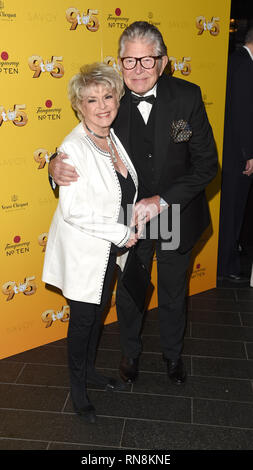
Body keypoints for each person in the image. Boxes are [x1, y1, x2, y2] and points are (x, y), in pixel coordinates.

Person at [48, 22, 217, 386]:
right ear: (119, 62)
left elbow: (207, 164)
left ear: (163, 61)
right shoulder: (110, 97)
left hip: (176, 212)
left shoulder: (187, 97)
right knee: (130, 291)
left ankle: (172, 356)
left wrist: (164, 200)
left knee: (173, 290)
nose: (138, 69)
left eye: (147, 60)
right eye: (129, 61)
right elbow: (82, 139)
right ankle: (131, 353)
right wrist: (53, 164)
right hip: (126, 220)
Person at [42, 62, 139, 423]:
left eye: (108, 96)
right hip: (86, 253)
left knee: (97, 316)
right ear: (78, 106)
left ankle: (91, 373)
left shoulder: (110, 136)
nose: (102, 105)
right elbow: (73, 210)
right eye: (91, 100)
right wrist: (122, 233)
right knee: (83, 321)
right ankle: (78, 391)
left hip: (107, 253)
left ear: (117, 97)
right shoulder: (73, 147)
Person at [218, 28, 253, 281]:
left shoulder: (234, 61)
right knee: (233, 210)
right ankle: (226, 266)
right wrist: (249, 153)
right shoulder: (244, 66)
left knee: (231, 209)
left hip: (230, 150)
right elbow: (243, 114)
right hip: (237, 154)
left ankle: (225, 263)